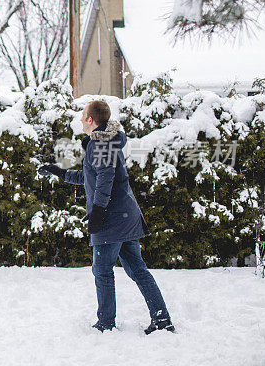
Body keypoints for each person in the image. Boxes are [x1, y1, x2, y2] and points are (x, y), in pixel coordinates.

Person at [38, 100, 175, 334]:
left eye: (83, 116)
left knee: (102, 270)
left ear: (91, 119)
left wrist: (98, 211)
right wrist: (59, 172)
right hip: (125, 216)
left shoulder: (100, 143)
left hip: (112, 219)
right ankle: (162, 319)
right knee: (137, 270)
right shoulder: (104, 142)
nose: (81, 119)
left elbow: (105, 178)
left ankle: (106, 322)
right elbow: (90, 177)